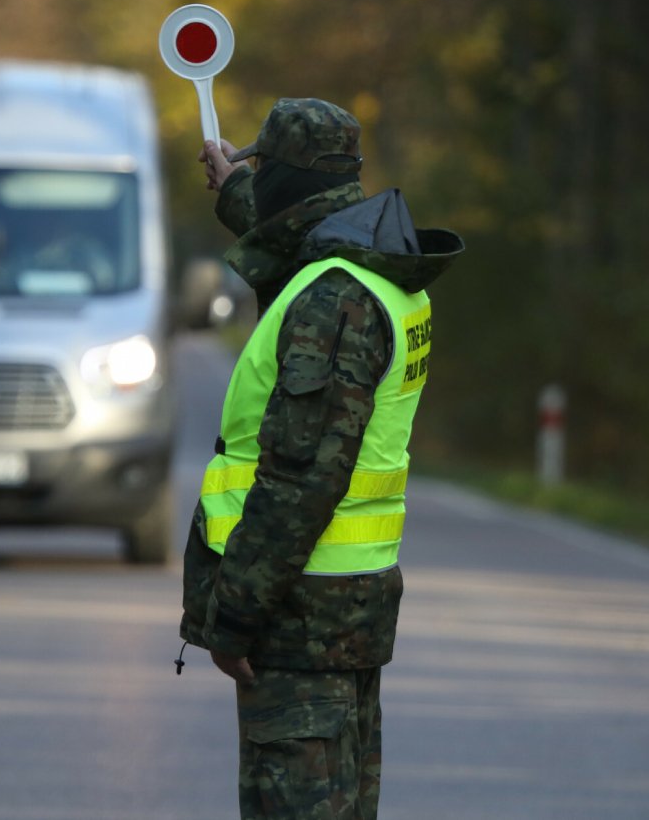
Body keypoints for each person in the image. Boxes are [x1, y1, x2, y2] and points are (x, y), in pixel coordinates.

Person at [179, 98, 463, 819]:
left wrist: (234, 612)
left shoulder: (331, 301)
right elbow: (293, 240)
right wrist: (236, 190)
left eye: (262, 166)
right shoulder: (376, 271)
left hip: (295, 616)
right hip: (347, 610)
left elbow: (302, 478)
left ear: (282, 176)